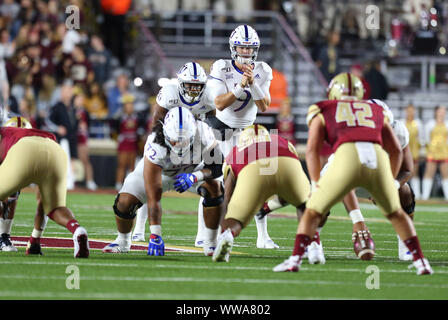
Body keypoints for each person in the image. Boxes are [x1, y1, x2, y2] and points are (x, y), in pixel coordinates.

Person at [273, 73, 433, 275]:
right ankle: (421, 262)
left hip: (347, 156)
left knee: (313, 207)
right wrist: (387, 182)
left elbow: (314, 151)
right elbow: (394, 151)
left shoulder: (325, 109)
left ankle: (296, 259)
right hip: (375, 161)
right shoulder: (378, 113)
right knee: (395, 213)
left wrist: (316, 184)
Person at [102, 107, 224, 257]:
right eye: (174, 140)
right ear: (165, 133)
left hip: (191, 172)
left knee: (216, 187)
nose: (178, 145)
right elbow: (154, 196)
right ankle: (123, 241)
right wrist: (155, 234)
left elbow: (217, 166)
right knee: (124, 202)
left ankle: (211, 243)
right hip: (161, 173)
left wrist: (195, 176)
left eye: (183, 140)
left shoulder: (204, 132)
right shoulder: (155, 142)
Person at [202, 24, 277, 249]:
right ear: (233, 48)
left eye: (249, 48)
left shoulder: (263, 70)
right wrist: (239, 87)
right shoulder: (221, 67)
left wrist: (253, 84)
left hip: (249, 131)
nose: (245, 52)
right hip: (222, 129)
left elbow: (264, 106)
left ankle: (263, 237)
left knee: (260, 182)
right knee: (217, 183)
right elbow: (219, 104)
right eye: (241, 48)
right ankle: (205, 235)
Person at [129, 62, 215, 244]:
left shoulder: (209, 96)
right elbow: (156, 125)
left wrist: (205, 139)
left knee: (212, 184)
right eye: (189, 85)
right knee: (147, 182)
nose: (193, 89)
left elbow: (215, 122)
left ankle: (202, 236)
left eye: (197, 86)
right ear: (180, 83)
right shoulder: (169, 93)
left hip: (195, 143)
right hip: (167, 140)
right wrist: (168, 146)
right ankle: (138, 231)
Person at [212, 124, 310, 263]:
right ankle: (308, 244)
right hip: (286, 165)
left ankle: (228, 234)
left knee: (237, 219)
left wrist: (225, 224)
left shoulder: (235, 152)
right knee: (305, 204)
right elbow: (295, 165)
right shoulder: (280, 140)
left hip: (251, 172)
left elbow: (227, 197)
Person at [0, 110, 89, 258]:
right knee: (54, 208)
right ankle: (77, 230)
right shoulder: (38, 133)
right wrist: (35, 238)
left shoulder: (5, 133)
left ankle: (2, 238)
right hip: (55, 149)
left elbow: (8, 197)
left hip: (23, 150)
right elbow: (42, 201)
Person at [421, 105, 448, 200]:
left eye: (444, 111)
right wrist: (427, 150)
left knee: (446, 174)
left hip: (444, 152)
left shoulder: (447, 124)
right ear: (436, 112)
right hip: (432, 152)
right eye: (440, 110)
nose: (442, 113)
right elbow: (425, 138)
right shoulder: (430, 124)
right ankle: (425, 196)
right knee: (429, 173)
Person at [114, 93, 139, 191]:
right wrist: (117, 138)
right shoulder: (120, 117)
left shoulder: (136, 117)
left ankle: (130, 184)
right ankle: (118, 183)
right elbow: (114, 130)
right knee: (122, 165)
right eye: (127, 105)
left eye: (131, 105)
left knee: (132, 166)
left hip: (133, 144)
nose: (130, 107)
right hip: (124, 144)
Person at [401, 104, 424, 199]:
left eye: (412, 110)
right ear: (406, 111)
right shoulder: (401, 122)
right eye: (408, 110)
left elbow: (422, 138)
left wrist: (422, 151)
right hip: (402, 152)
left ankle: (417, 194)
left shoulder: (418, 123)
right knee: (401, 173)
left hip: (414, 152)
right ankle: (401, 193)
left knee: (414, 173)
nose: (410, 112)